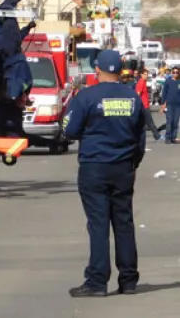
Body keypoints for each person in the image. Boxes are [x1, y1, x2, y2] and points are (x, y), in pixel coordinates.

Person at [64, 50, 145, 297]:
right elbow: (140, 138)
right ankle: (129, 280)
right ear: (120, 70)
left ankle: (97, 281)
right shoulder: (132, 98)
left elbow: (70, 130)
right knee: (124, 222)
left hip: (94, 167)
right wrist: (132, 163)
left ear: (97, 69)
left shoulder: (87, 97)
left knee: (98, 224)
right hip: (123, 167)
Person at [134, 69, 161, 141]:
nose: (146, 76)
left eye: (147, 74)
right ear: (141, 74)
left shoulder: (143, 82)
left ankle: (137, 135)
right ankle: (157, 136)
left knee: (144, 122)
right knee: (150, 121)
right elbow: (138, 94)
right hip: (144, 106)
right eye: (145, 74)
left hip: (145, 104)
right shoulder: (141, 82)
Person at [159, 66, 180, 144]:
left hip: (178, 105)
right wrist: (163, 104)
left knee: (175, 122)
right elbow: (164, 93)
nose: (175, 74)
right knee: (169, 121)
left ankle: (173, 138)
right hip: (169, 104)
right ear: (171, 73)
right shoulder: (168, 81)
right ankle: (167, 137)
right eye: (173, 72)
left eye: (177, 72)